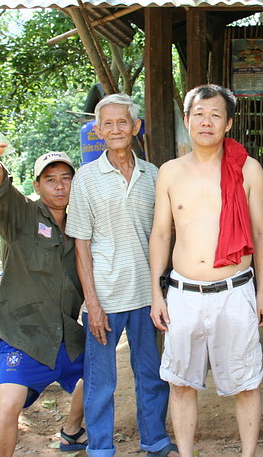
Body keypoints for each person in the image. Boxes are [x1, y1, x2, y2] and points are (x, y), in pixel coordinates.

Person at [149, 84, 263, 457]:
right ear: (187, 120)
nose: (207, 122)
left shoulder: (247, 169)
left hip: (236, 290)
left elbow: (262, 233)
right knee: (181, 383)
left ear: (228, 123)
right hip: (184, 294)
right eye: (199, 114)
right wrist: (157, 294)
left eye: (216, 115)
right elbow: (161, 233)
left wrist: (261, 293)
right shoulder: (170, 172)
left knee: (245, 383)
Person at [65, 94, 177, 457]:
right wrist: (93, 304)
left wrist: (162, 291)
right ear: (98, 130)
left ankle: (155, 441)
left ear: (136, 127)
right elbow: (81, 245)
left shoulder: (153, 175)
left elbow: (165, 235)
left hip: (147, 295)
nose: (115, 130)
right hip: (106, 297)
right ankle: (100, 448)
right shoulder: (85, 178)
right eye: (108, 124)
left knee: (151, 375)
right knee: (101, 381)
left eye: (122, 122)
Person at [0, 113, 87, 456]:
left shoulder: (83, 223)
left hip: (67, 334)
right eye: (50, 180)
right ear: (37, 186)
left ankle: (72, 432)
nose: (59, 186)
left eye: (66, 178)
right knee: (8, 404)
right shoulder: (20, 214)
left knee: (99, 378)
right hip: (23, 335)